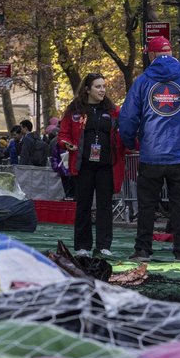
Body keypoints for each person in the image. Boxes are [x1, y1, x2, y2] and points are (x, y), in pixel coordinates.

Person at [119, 35, 180, 261]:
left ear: (151, 54)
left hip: (151, 154)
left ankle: (143, 249)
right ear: (171, 52)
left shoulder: (143, 81)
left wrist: (129, 142)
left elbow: (128, 117)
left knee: (147, 205)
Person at [58, 74, 125, 257]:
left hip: (106, 165)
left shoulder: (113, 110)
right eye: (98, 86)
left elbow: (124, 131)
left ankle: (104, 246)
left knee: (104, 206)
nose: (102, 90)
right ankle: (82, 246)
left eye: (104, 86)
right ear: (87, 89)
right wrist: (66, 143)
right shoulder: (74, 110)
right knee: (83, 206)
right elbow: (63, 134)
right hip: (83, 165)